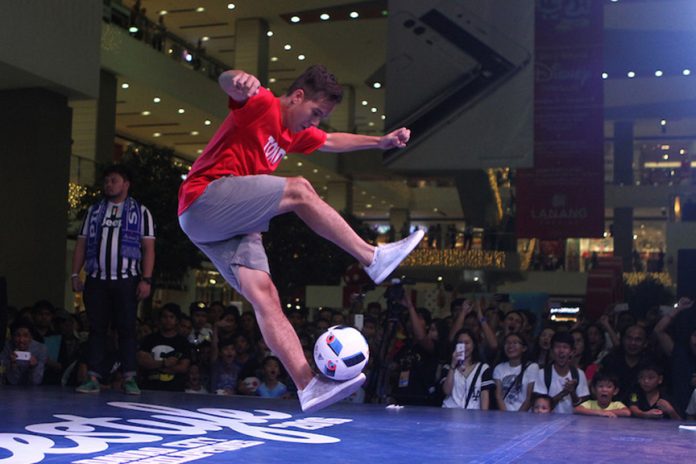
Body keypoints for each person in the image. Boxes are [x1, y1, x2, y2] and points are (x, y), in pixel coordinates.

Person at [177, 65, 423, 412]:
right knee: (300, 189)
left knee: (265, 296)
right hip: (204, 199)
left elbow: (332, 141)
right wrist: (236, 79)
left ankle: (307, 384)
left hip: (226, 226)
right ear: (297, 97)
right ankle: (373, 257)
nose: (316, 122)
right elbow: (229, 84)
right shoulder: (263, 103)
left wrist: (379, 141)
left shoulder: (293, 132)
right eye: (316, 112)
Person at [72, 164, 155, 395]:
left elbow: (149, 248)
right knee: (97, 329)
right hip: (97, 278)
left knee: (127, 329)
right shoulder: (94, 211)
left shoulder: (141, 212)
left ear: (126, 184)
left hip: (127, 278)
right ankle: (93, 377)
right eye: (107, 180)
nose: (109, 184)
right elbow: (81, 243)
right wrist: (74, 273)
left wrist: (146, 279)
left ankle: (129, 377)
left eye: (114, 180)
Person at [136, 304, 191, 392]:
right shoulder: (149, 339)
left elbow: (184, 367)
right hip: (149, 388)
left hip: (175, 390)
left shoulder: (183, 342)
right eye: (165, 317)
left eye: (171, 317)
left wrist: (154, 364)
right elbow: (142, 361)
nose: (168, 320)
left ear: (176, 320)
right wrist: (164, 363)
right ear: (160, 319)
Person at [533, 331, 590, 414]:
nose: (561, 351)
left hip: (574, 424)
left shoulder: (579, 374)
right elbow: (540, 406)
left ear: (572, 352)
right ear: (552, 351)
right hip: (547, 423)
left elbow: (583, 408)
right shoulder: (543, 373)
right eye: (557, 347)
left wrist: (572, 392)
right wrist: (564, 393)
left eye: (565, 347)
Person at [442, 329, 495, 410]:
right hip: (449, 412)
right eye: (460, 343)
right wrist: (453, 365)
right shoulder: (448, 367)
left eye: (467, 343)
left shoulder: (483, 368)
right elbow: (446, 391)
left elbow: (484, 396)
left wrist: (484, 418)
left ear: (473, 345)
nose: (464, 347)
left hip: (473, 416)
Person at [494, 333, 539, 412]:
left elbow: (529, 397)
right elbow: (498, 396)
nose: (510, 346)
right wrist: (506, 416)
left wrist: (518, 417)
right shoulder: (499, 368)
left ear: (524, 348)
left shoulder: (532, 367)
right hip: (504, 417)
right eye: (507, 343)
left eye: (515, 343)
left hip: (525, 417)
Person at [0, 318, 47, 386]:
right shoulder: (7, 347)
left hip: (34, 392)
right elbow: (12, 381)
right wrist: (13, 365)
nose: (21, 340)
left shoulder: (41, 349)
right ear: (12, 337)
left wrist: (34, 367)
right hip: (10, 390)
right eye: (17, 335)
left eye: (26, 335)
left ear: (31, 337)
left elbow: (36, 381)